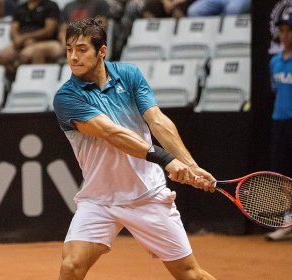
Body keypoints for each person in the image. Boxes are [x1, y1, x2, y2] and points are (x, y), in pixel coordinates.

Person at [53, 18, 217, 280]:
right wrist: (167, 160)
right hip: (100, 199)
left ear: (101, 51)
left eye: (82, 49)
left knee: (190, 274)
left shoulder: (129, 75)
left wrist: (190, 165)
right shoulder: (67, 97)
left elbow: (158, 121)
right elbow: (111, 132)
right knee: (71, 266)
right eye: (69, 49)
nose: (73, 57)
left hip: (147, 195)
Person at [265, 12, 292, 242]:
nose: (285, 35)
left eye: (289, 30)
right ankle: (288, 221)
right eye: (282, 30)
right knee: (282, 173)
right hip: (279, 122)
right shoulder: (274, 62)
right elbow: (275, 91)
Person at [0, 0, 62, 81]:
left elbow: (49, 31)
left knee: (27, 54)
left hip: (46, 41)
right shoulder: (20, 7)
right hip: (22, 43)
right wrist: (17, 39)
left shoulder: (50, 5)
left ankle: (36, 83)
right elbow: (13, 29)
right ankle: (15, 81)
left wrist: (25, 37)